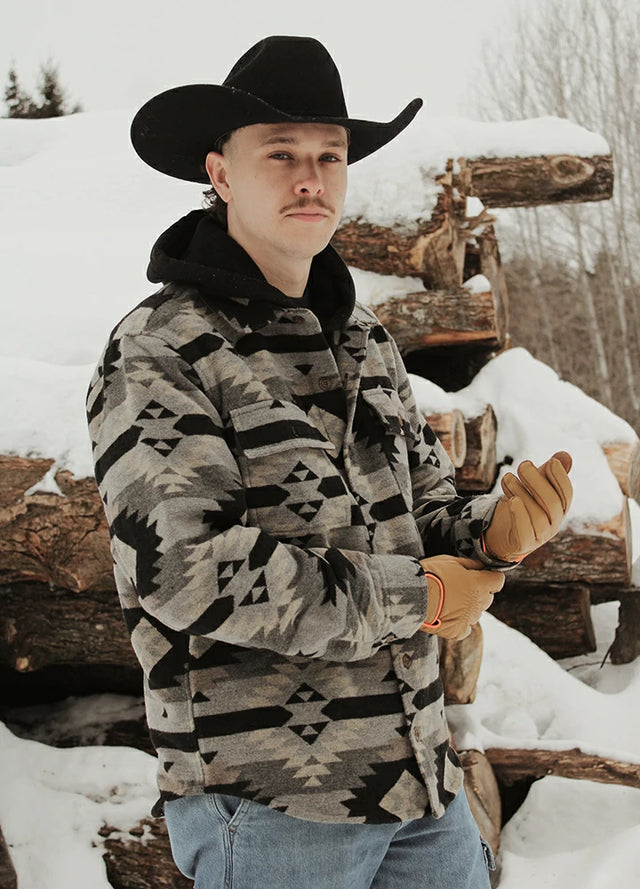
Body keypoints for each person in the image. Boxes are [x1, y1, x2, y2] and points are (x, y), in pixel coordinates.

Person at [86, 35, 573, 889]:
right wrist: (416, 597)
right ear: (221, 172)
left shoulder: (365, 343)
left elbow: (419, 513)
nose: (310, 177)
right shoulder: (162, 348)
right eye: (281, 155)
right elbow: (190, 572)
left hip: (420, 785)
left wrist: (493, 533)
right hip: (271, 799)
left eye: (329, 155)